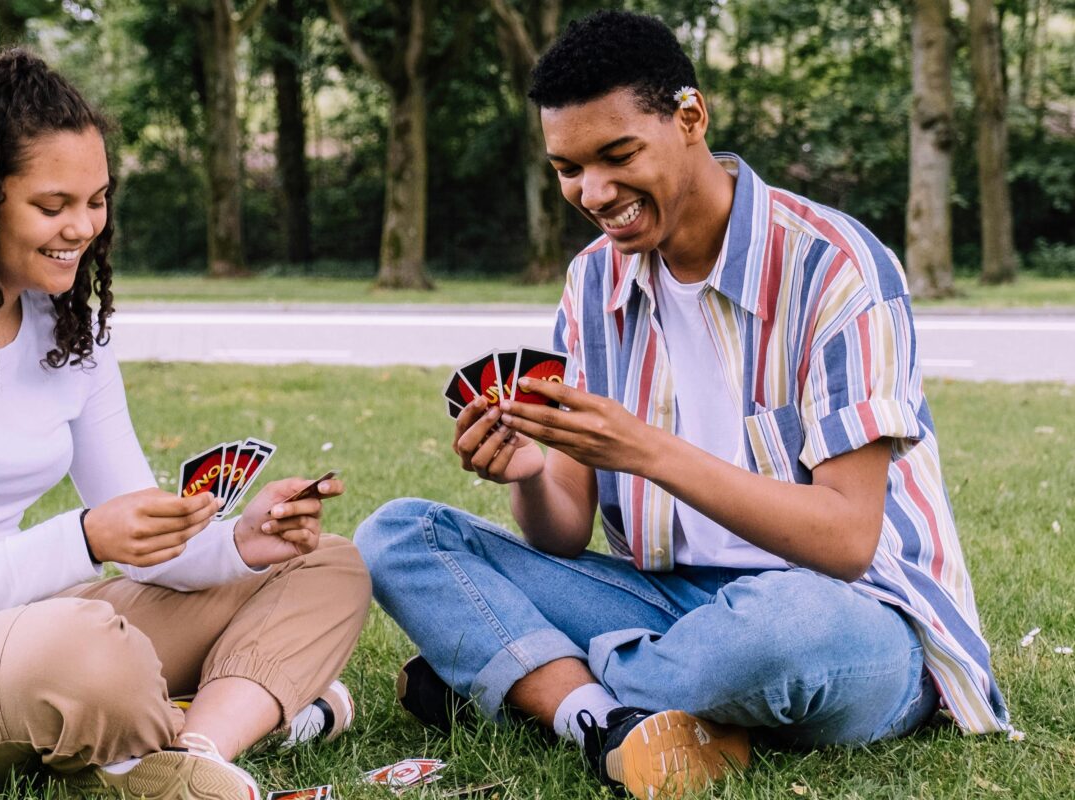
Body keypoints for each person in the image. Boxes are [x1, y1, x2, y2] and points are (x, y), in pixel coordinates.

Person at [355, 10, 1007, 800]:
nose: (593, 192)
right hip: (665, 601)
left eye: (617, 154)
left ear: (690, 118)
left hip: (848, 617)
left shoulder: (833, 267)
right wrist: (530, 473)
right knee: (399, 535)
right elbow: (561, 534)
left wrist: (642, 449)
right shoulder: (594, 284)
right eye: (567, 168)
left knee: (776, 634)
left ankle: (529, 676)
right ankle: (601, 720)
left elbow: (844, 540)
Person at [0, 49, 370, 800]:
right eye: (53, 206)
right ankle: (230, 716)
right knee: (84, 652)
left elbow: (148, 548)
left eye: (98, 200)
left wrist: (241, 543)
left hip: (8, 625)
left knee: (326, 565)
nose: (82, 227)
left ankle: (193, 748)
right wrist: (84, 540)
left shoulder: (66, 326)